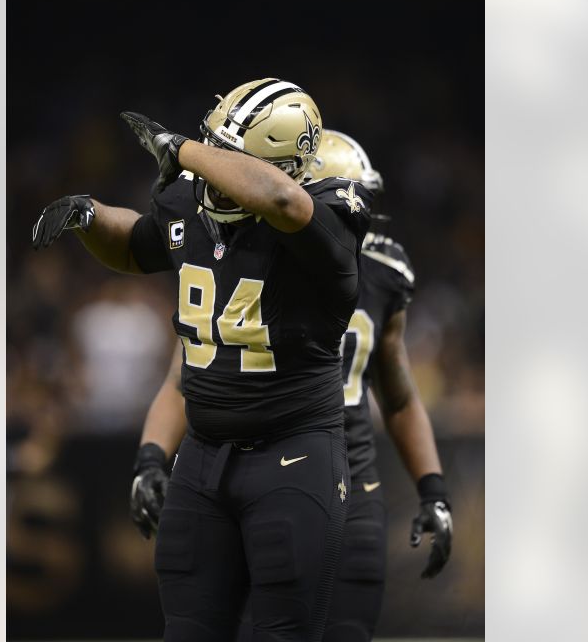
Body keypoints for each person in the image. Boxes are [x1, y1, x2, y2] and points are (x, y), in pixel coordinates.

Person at [31, 79, 375, 641]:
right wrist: (89, 217)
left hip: (293, 456)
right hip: (203, 459)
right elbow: (143, 242)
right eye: (207, 144)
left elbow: (284, 202)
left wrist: (183, 149)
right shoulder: (191, 202)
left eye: (226, 154)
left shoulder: (333, 213)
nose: (208, 164)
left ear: (280, 163)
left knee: (283, 633)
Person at [130, 130, 454, 642]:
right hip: (257, 467)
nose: (356, 211)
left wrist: (433, 490)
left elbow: (400, 395)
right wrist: (152, 456)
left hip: (337, 465)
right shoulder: (246, 255)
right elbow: (185, 374)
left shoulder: (383, 272)